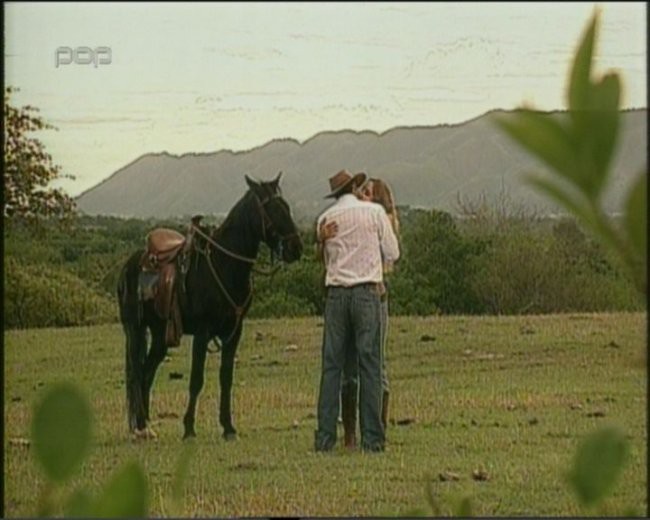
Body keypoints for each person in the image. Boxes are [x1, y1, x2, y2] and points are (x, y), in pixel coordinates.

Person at [314, 169, 400, 453]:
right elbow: (393, 253)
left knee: (332, 367)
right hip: (367, 293)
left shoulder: (326, 219)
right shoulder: (374, 213)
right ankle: (372, 439)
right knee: (370, 366)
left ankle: (325, 437)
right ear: (354, 187)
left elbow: (325, 260)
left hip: (337, 295)